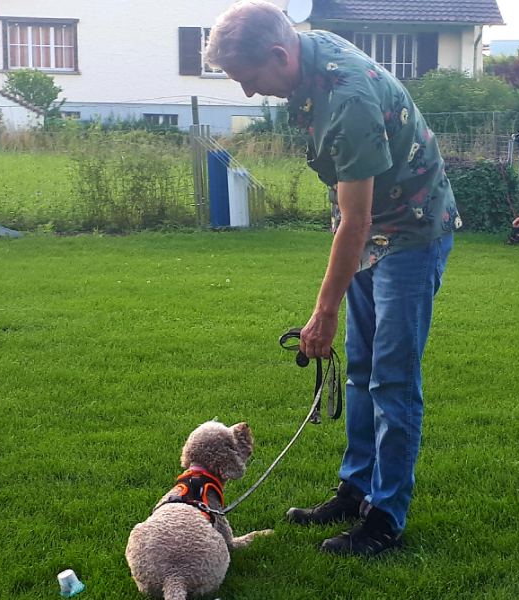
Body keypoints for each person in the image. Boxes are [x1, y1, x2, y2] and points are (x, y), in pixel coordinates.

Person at [205, 0, 460, 556]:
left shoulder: (347, 99)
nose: (248, 94)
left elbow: (359, 218)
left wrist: (322, 313)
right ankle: (356, 488)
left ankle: (384, 518)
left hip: (411, 231)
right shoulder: (306, 56)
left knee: (392, 381)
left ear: (278, 54)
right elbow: (349, 203)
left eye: (249, 80)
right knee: (359, 369)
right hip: (370, 228)